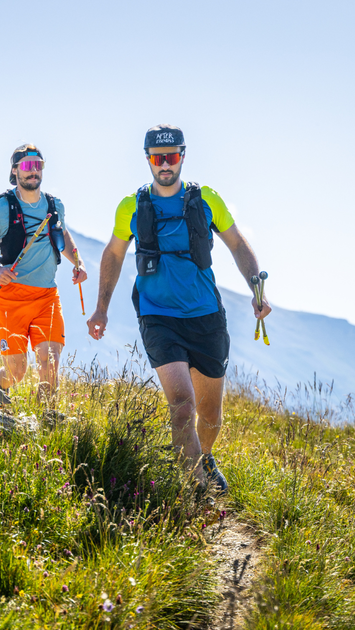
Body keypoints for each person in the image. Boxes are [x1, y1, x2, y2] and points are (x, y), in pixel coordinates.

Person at [87, 125, 271, 493]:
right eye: (157, 158)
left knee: (210, 416)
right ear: (148, 160)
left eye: (171, 157)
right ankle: (193, 494)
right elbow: (113, 254)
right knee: (183, 406)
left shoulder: (206, 200)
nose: (165, 164)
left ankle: (203, 457)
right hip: (157, 316)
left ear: (182, 156)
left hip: (205, 317)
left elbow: (236, 243)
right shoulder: (131, 207)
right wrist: (101, 309)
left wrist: (257, 288)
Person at [0, 144, 87, 404]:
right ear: (15, 171)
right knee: (16, 371)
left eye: (38, 165)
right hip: (11, 298)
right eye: (26, 166)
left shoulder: (55, 205)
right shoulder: (1, 209)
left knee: (51, 363)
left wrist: (77, 262)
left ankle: (45, 426)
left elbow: (62, 234)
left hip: (47, 297)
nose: (33, 171)